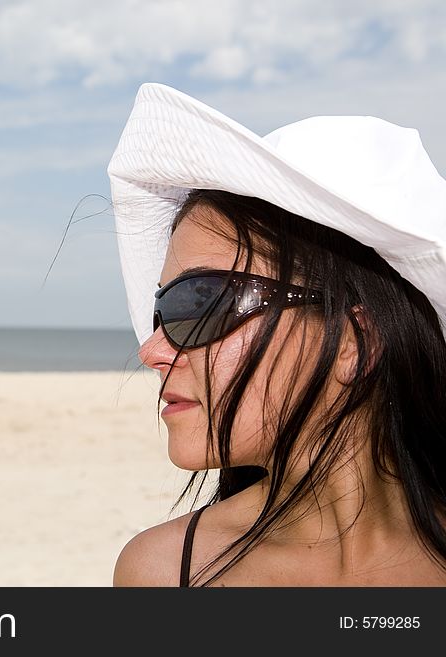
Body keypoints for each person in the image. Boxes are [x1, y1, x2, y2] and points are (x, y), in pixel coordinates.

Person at [106, 83, 446, 586]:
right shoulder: (163, 572)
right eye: (162, 312)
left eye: (199, 302)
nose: (152, 350)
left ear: (355, 341)